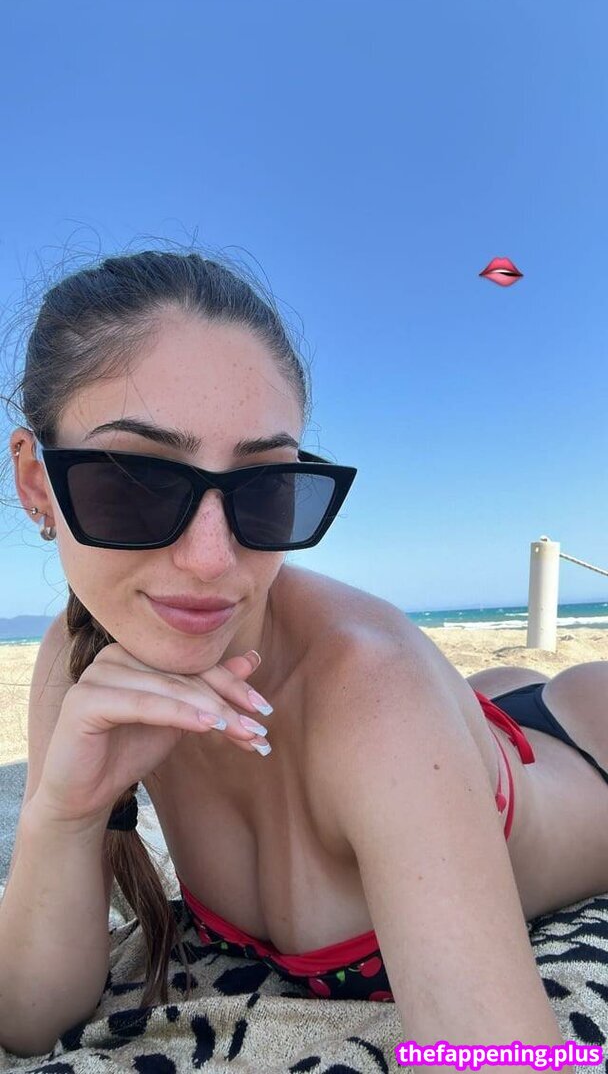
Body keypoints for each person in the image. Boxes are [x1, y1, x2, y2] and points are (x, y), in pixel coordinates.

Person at [0, 249, 606, 1063]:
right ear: (36, 483)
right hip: (458, 731)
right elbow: (27, 1021)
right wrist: (65, 815)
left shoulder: (375, 698)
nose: (211, 559)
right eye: (136, 481)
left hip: (582, 743)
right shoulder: (79, 661)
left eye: (264, 487)